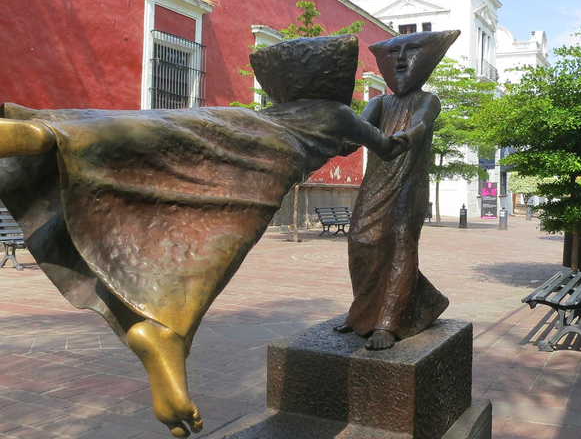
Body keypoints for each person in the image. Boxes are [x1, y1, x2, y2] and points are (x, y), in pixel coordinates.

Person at [0, 35, 407, 437]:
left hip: (233, 124)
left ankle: (37, 133)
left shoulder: (280, 109)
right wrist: (410, 133)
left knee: (151, 133)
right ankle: (169, 334)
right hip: (269, 159)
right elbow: (383, 146)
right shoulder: (338, 115)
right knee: (217, 240)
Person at [334, 30, 460, 351]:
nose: (401, 59)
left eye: (411, 50)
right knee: (360, 240)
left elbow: (421, 122)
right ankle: (364, 312)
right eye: (393, 53)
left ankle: (388, 324)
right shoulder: (378, 103)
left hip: (408, 184)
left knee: (400, 244)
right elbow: (358, 128)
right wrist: (340, 136)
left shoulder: (427, 99)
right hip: (375, 183)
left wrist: (406, 137)